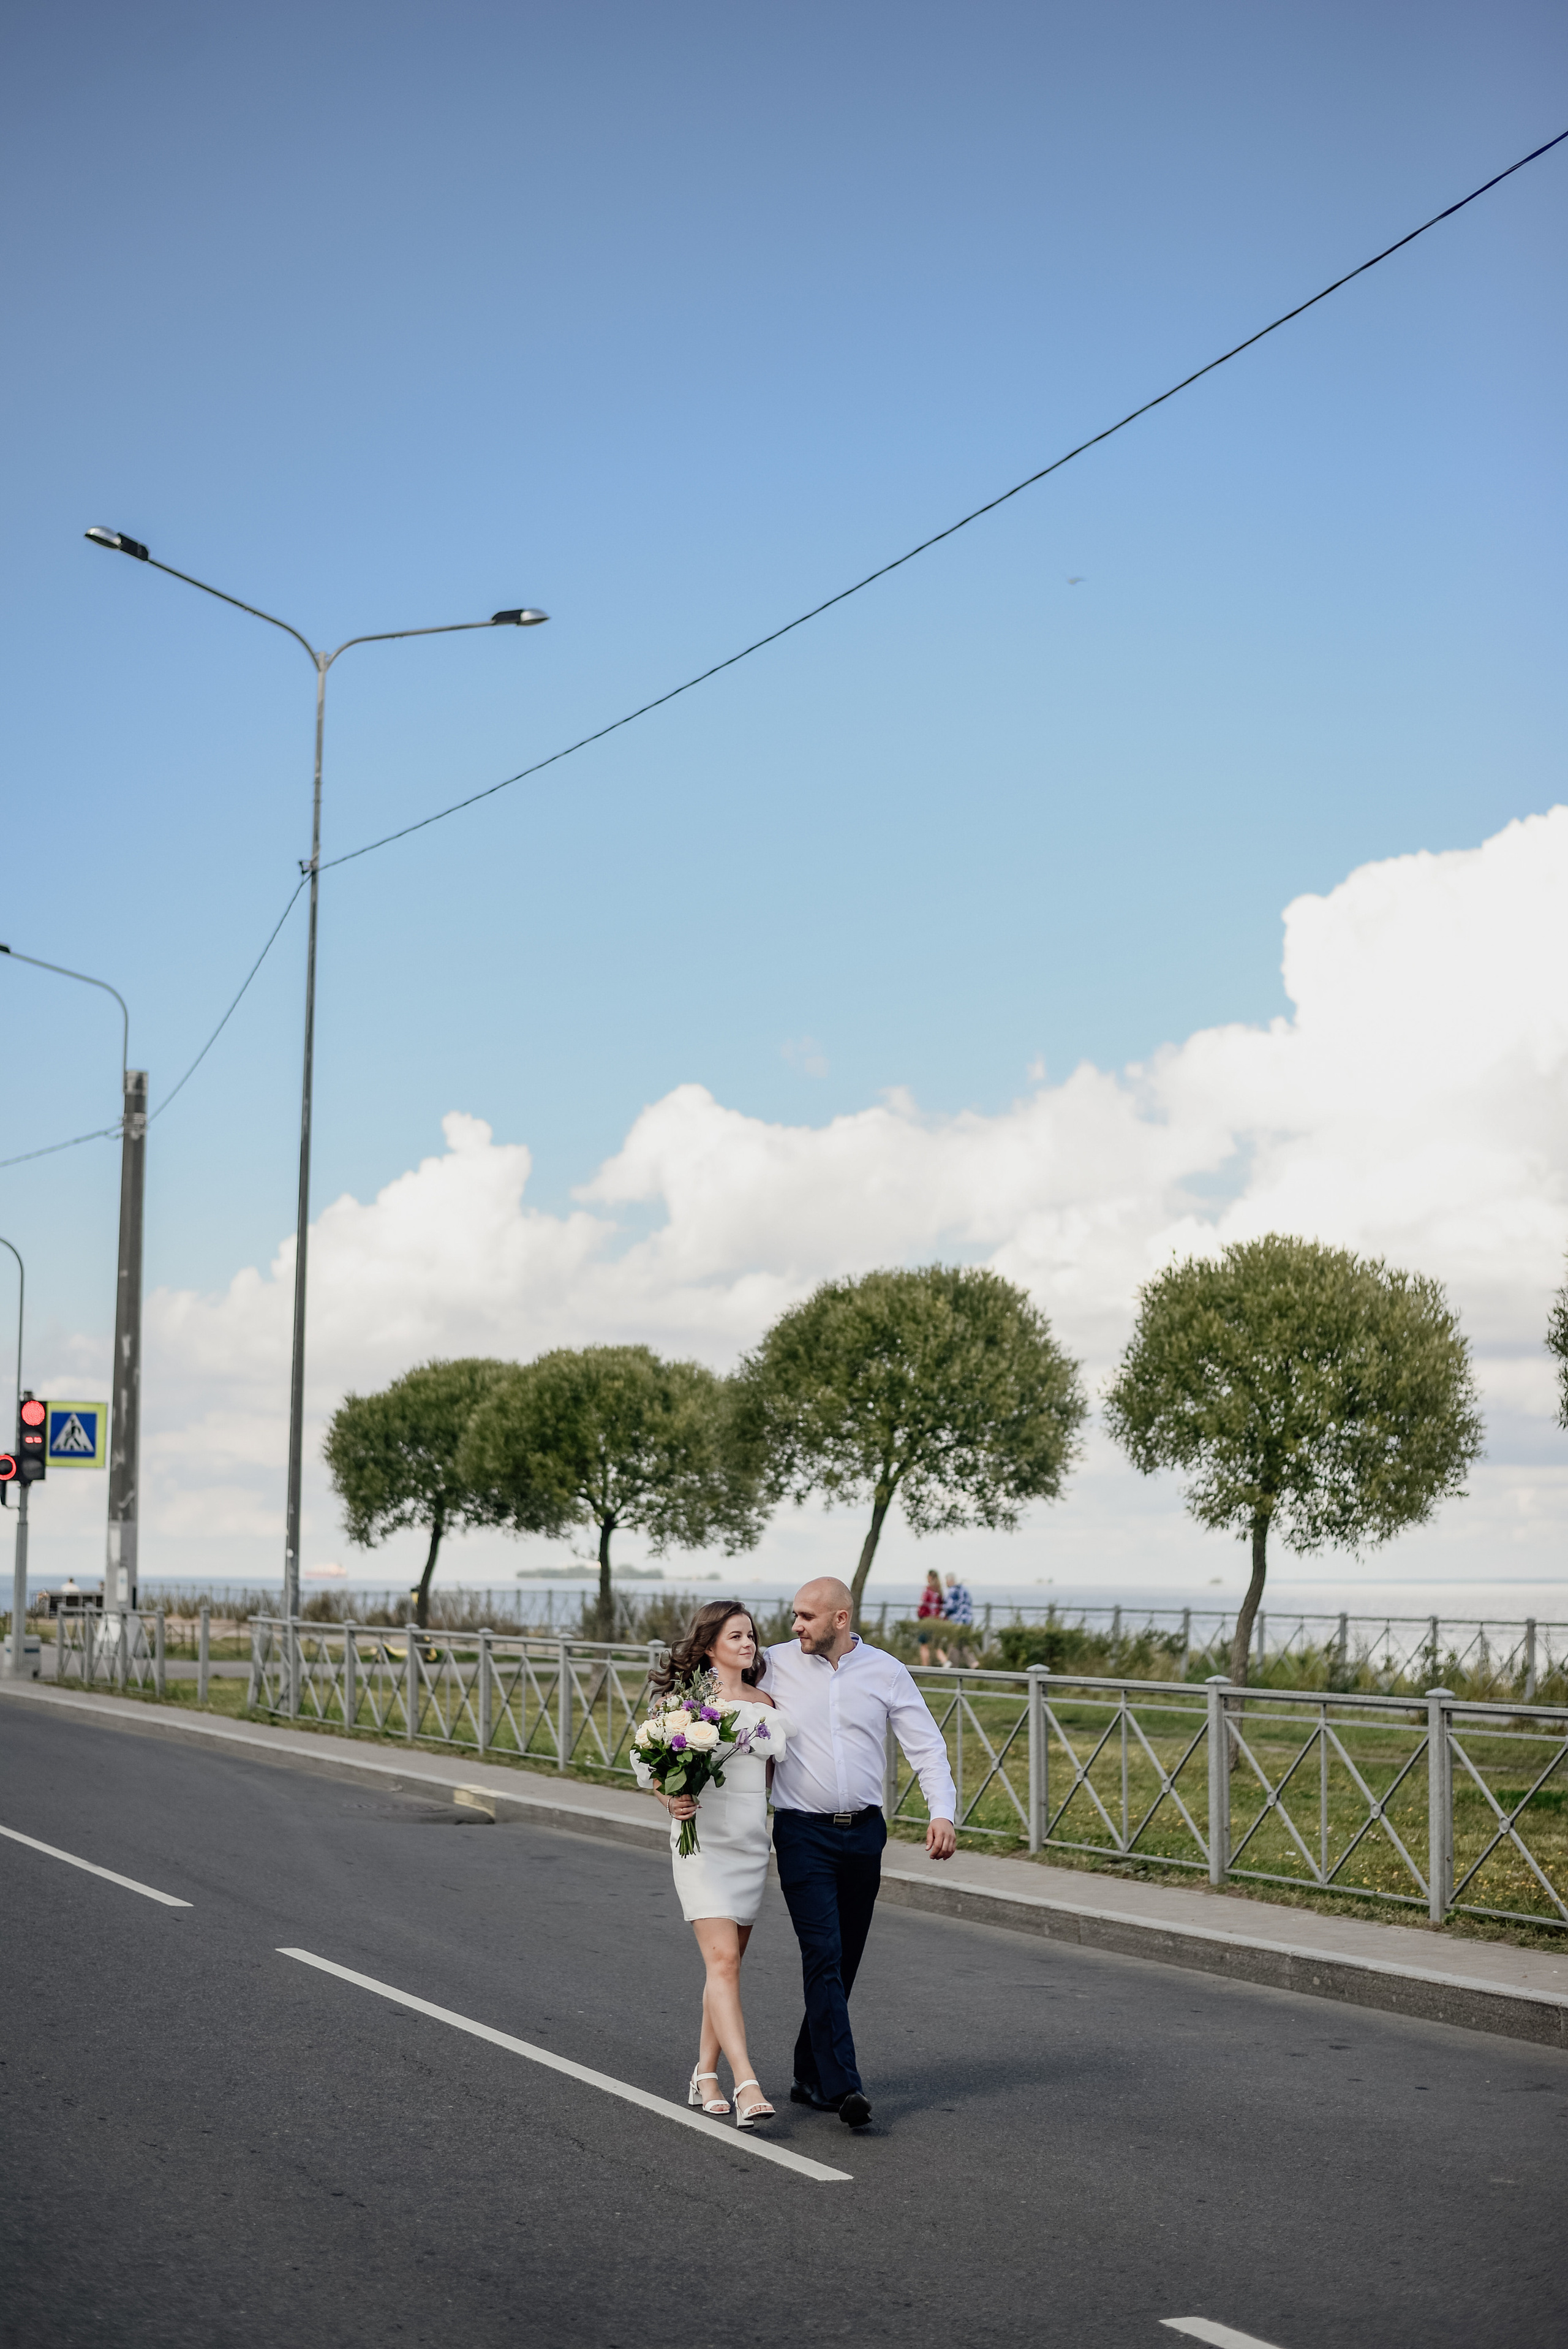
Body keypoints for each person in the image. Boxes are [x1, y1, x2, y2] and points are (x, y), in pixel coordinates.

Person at [766, 1576, 957, 2132]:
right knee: (822, 1954)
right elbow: (714, 1691)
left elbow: (925, 1745)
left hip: (865, 1835)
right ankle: (843, 2086)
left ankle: (807, 2073)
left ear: (840, 1619)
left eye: (806, 1616)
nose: (795, 1625)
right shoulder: (774, 1664)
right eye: (794, 1615)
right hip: (802, 1833)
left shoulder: (886, 1671)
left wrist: (941, 1811)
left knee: (844, 1958)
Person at [633, 1601, 786, 2129]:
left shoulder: (767, 1704)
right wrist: (670, 1800)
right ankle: (747, 2084)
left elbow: (769, 1784)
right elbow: (652, 1766)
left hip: (748, 1847)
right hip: (700, 1846)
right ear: (711, 1644)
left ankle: (705, 2074)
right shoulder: (681, 1705)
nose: (749, 1644)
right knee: (723, 1963)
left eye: (752, 1636)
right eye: (738, 1636)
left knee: (725, 1967)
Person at [916, 1568, 948, 1667]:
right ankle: (945, 1661)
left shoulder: (928, 1590)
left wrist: (921, 1615)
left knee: (924, 1645)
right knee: (935, 1645)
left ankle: (925, 1667)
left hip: (927, 1620)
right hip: (937, 1620)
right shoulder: (939, 1591)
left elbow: (923, 1605)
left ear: (929, 1577)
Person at [942, 1573, 976, 1666]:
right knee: (963, 1643)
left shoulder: (953, 1591)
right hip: (967, 1621)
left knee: (954, 1643)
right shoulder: (964, 1590)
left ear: (950, 1581)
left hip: (957, 1622)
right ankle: (973, 1663)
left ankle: (953, 1666)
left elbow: (949, 1607)